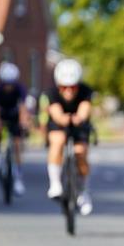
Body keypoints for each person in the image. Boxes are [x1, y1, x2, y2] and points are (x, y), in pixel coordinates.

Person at [45, 58, 94, 215]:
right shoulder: (51, 92)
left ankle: (83, 192)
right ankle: (55, 184)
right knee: (57, 141)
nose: (68, 91)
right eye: (64, 87)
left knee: (81, 154)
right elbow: (56, 113)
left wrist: (79, 118)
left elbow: (85, 110)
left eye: (72, 87)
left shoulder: (86, 91)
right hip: (59, 124)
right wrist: (64, 119)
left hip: (79, 125)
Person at [0, 62, 30, 195]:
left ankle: (18, 177)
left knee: (17, 145)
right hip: (2, 113)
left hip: (14, 114)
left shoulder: (20, 88)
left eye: (11, 83)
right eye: (6, 83)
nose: (8, 86)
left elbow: (23, 108)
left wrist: (23, 123)